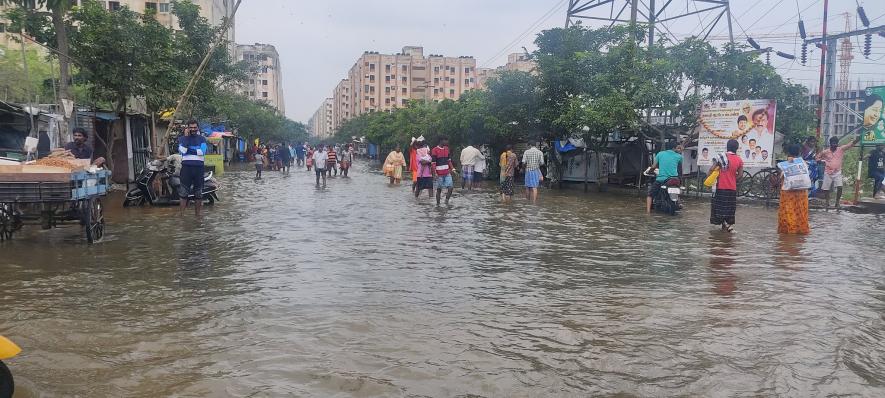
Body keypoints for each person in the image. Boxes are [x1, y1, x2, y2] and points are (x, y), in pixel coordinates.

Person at [816, 135, 860, 209]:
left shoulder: (841, 149)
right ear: (830, 144)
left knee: (840, 187)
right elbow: (818, 157)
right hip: (828, 172)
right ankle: (827, 202)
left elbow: (849, 145)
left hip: (837, 172)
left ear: (837, 143)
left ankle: (837, 202)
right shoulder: (826, 152)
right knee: (826, 188)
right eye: (833, 143)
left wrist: (857, 140)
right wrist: (820, 161)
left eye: (836, 143)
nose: (834, 145)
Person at [709, 139, 744, 232]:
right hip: (732, 189)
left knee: (719, 208)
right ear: (736, 148)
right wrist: (732, 179)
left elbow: (712, 169)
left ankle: (724, 226)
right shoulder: (739, 160)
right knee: (729, 209)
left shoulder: (720, 157)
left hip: (720, 187)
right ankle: (727, 227)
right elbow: (740, 175)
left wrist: (711, 177)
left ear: (727, 147)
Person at [777, 144, 811, 234]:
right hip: (802, 193)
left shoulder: (785, 164)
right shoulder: (804, 163)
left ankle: (789, 234)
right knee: (800, 212)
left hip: (788, 194)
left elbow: (781, 178)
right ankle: (801, 231)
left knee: (789, 212)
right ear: (799, 153)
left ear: (788, 153)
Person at [177, 120, 208, 216]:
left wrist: (190, 150)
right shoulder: (182, 139)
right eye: (191, 127)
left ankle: (198, 217)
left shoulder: (202, 139)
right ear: (188, 128)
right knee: (183, 193)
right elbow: (183, 150)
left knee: (198, 194)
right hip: (186, 169)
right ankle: (182, 216)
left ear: (198, 128)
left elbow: (202, 152)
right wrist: (186, 139)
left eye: (195, 127)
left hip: (199, 169)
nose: (193, 129)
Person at [646, 141, 683, 214]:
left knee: (650, 195)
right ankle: (678, 201)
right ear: (674, 148)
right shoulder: (679, 156)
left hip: (662, 179)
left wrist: (650, 171)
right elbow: (679, 166)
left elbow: (653, 166)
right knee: (678, 189)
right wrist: (680, 150)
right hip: (675, 179)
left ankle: (648, 212)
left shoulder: (660, 154)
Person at [431, 137, 455, 206]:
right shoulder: (434, 150)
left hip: (447, 173)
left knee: (451, 187)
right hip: (439, 174)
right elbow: (433, 163)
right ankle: (438, 205)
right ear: (441, 141)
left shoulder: (447, 149)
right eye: (446, 140)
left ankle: (446, 201)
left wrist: (453, 169)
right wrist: (435, 173)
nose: (447, 142)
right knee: (439, 190)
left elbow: (449, 161)